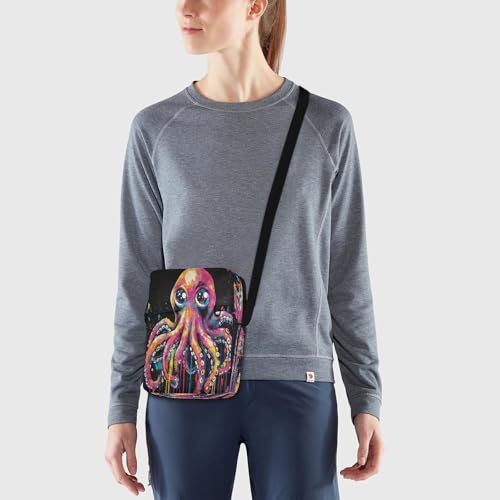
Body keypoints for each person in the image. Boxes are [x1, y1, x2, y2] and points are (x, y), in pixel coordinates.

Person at [104, 1, 384, 498]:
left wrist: (366, 396)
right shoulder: (155, 129)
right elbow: (136, 279)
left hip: (298, 381)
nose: (185, 8)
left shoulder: (326, 125)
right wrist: (120, 405)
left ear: (256, 4)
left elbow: (346, 273)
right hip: (184, 379)